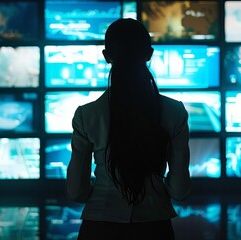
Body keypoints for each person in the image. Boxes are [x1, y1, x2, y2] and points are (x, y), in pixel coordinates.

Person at [66, 18, 191, 239]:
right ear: (149, 54)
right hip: (154, 228)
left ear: (106, 56)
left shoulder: (86, 115)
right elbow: (179, 191)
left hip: (99, 227)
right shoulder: (175, 112)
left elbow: (76, 191)